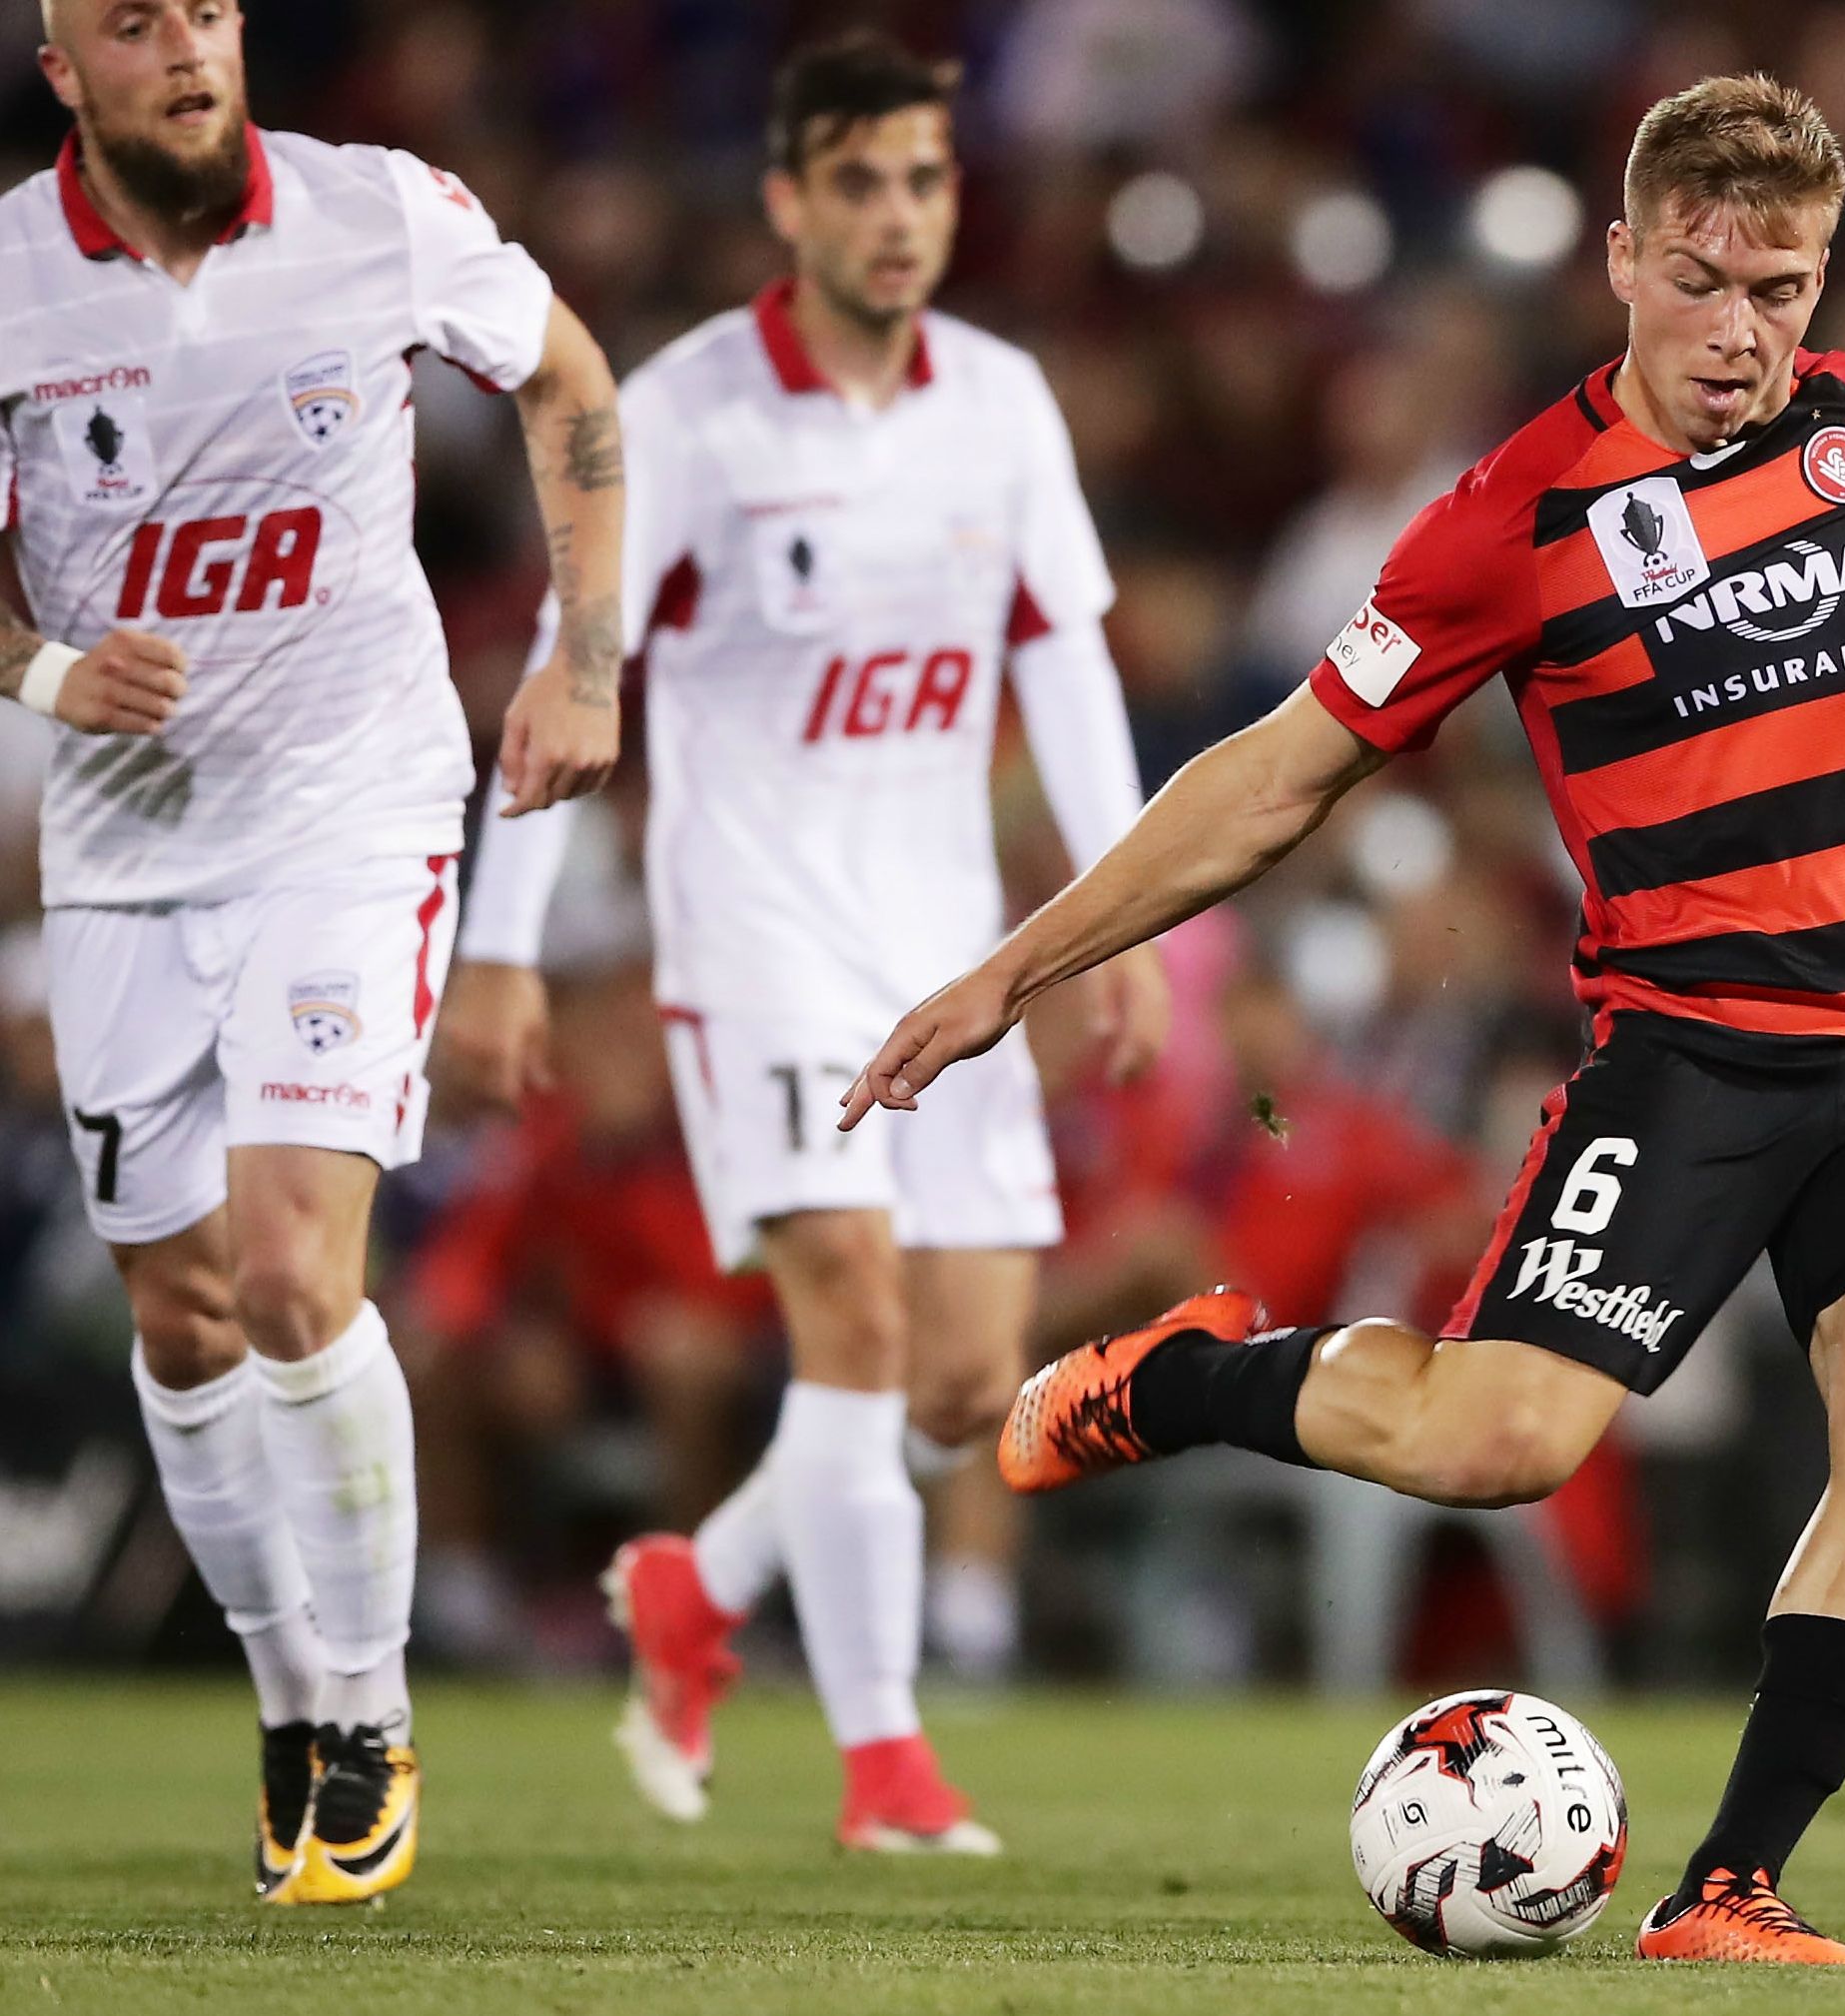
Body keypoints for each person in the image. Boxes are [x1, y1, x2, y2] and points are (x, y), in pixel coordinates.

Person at [844, 73, 1845, 1966]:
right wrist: (1005, 972)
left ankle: (1729, 1883)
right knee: (1493, 1442)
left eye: (1782, 287)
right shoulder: (1513, 519)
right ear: (1622, 260)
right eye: (1702, 280)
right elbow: (1279, 775)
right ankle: (1192, 1375)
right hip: (1687, 1062)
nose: (1742, 329)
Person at [436, 35, 1164, 1855]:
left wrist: (1133, 911)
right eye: (859, 181)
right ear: (788, 202)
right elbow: (570, 670)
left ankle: (702, 1582)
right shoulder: (684, 414)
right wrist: (504, 945)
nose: (900, 215)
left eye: (924, 179)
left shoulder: (1000, 399)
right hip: (757, 936)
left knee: (961, 1380)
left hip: (957, 949)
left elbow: (1064, 660)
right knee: (847, 1313)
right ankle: (886, 1766)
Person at [0, 0, 622, 1904]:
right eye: (133, 19)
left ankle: (367, 1707)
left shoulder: (380, 214)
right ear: (64, 71)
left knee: (289, 1267)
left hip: (354, 818)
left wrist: (582, 652)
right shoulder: (14, 276)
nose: (183, 44)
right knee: (179, 1321)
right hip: (124, 861)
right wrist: (42, 668)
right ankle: (285, 1698)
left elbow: (572, 379)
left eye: (207, 8)